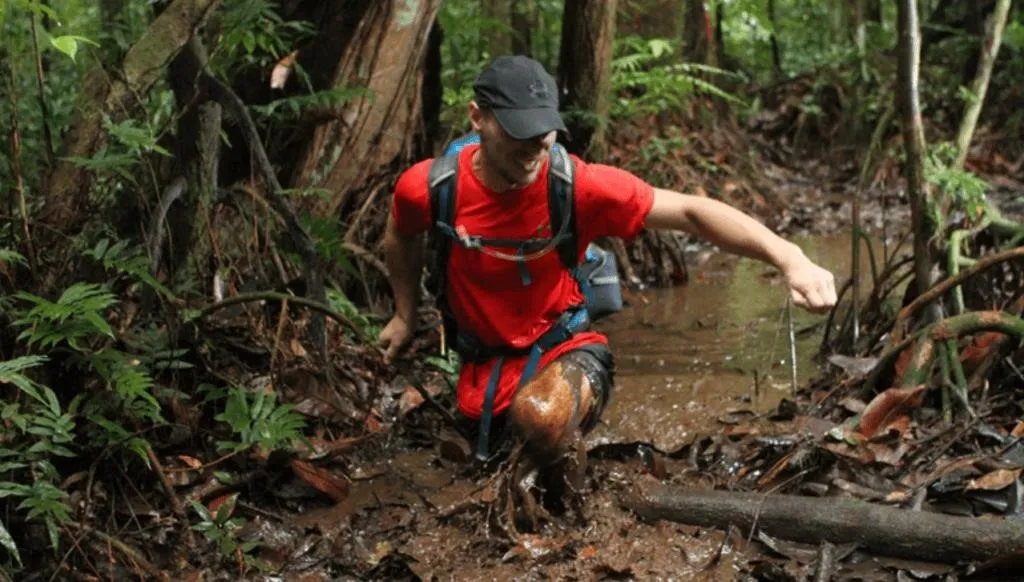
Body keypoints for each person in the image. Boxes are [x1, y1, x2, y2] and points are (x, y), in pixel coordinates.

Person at [378, 55, 836, 508]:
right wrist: (404, 315)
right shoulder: (433, 188)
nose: (536, 148)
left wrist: (790, 257)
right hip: (485, 364)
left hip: (569, 350)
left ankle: (581, 520)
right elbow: (400, 233)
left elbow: (693, 212)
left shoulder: (579, 187)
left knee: (540, 419)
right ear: (478, 118)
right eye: (520, 132)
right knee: (492, 460)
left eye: (545, 132)